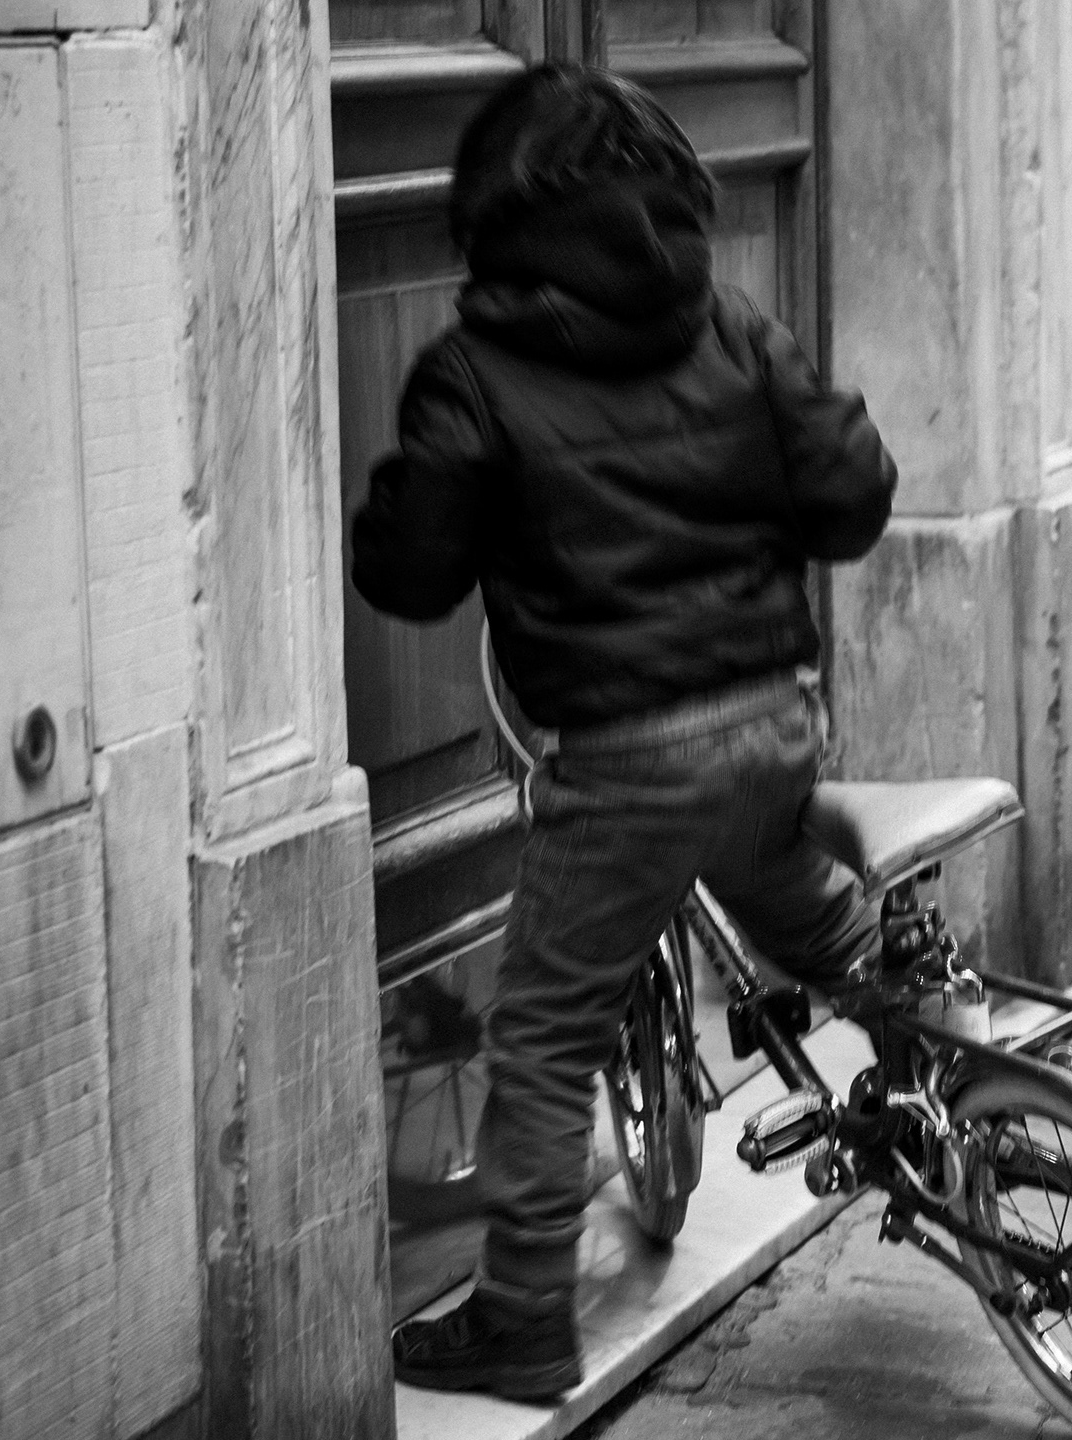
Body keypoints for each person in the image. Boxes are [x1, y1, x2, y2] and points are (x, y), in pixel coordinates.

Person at [353, 64, 898, 1400]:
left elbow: (410, 574)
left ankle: (523, 1322)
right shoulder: (734, 322)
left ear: (492, 214)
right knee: (824, 924)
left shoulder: (474, 369)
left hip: (628, 761)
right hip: (773, 716)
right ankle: (968, 1096)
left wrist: (406, 506)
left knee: (545, 1036)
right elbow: (854, 495)